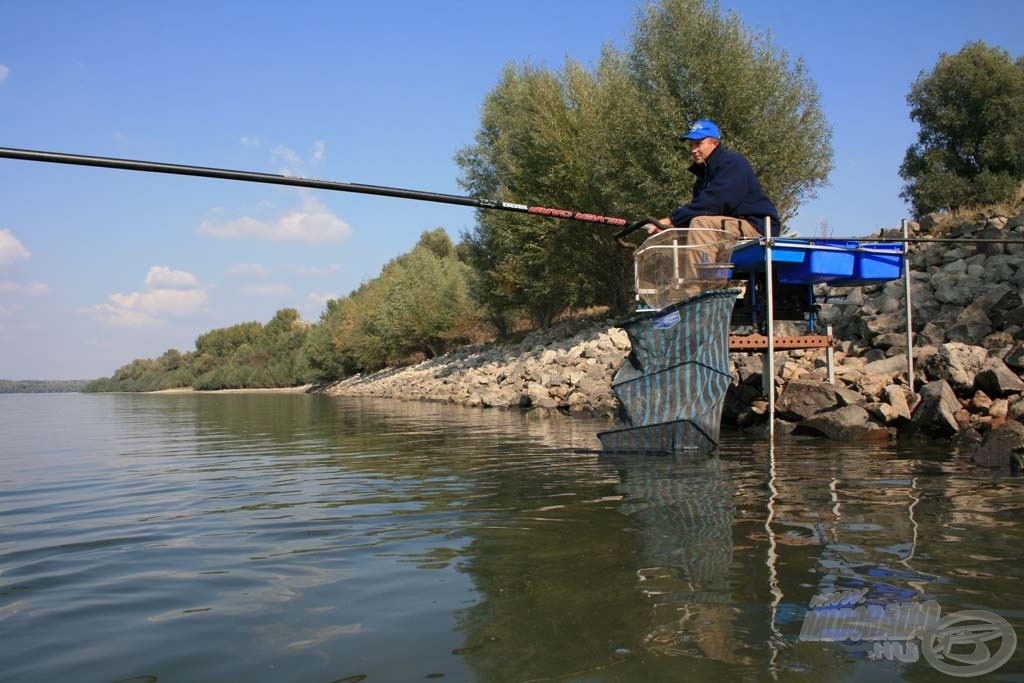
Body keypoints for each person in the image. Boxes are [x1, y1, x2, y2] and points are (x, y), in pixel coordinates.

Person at [649, 118, 780, 239]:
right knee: (679, 236)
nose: (693, 150)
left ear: (715, 143)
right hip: (728, 225)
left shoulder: (732, 163)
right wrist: (669, 227)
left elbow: (715, 201)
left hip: (757, 226)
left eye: (698, 144)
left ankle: (699, 265)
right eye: (691, 145)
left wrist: (672, 219)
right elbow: (700, 211)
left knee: (701, 223)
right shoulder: (702, 179)